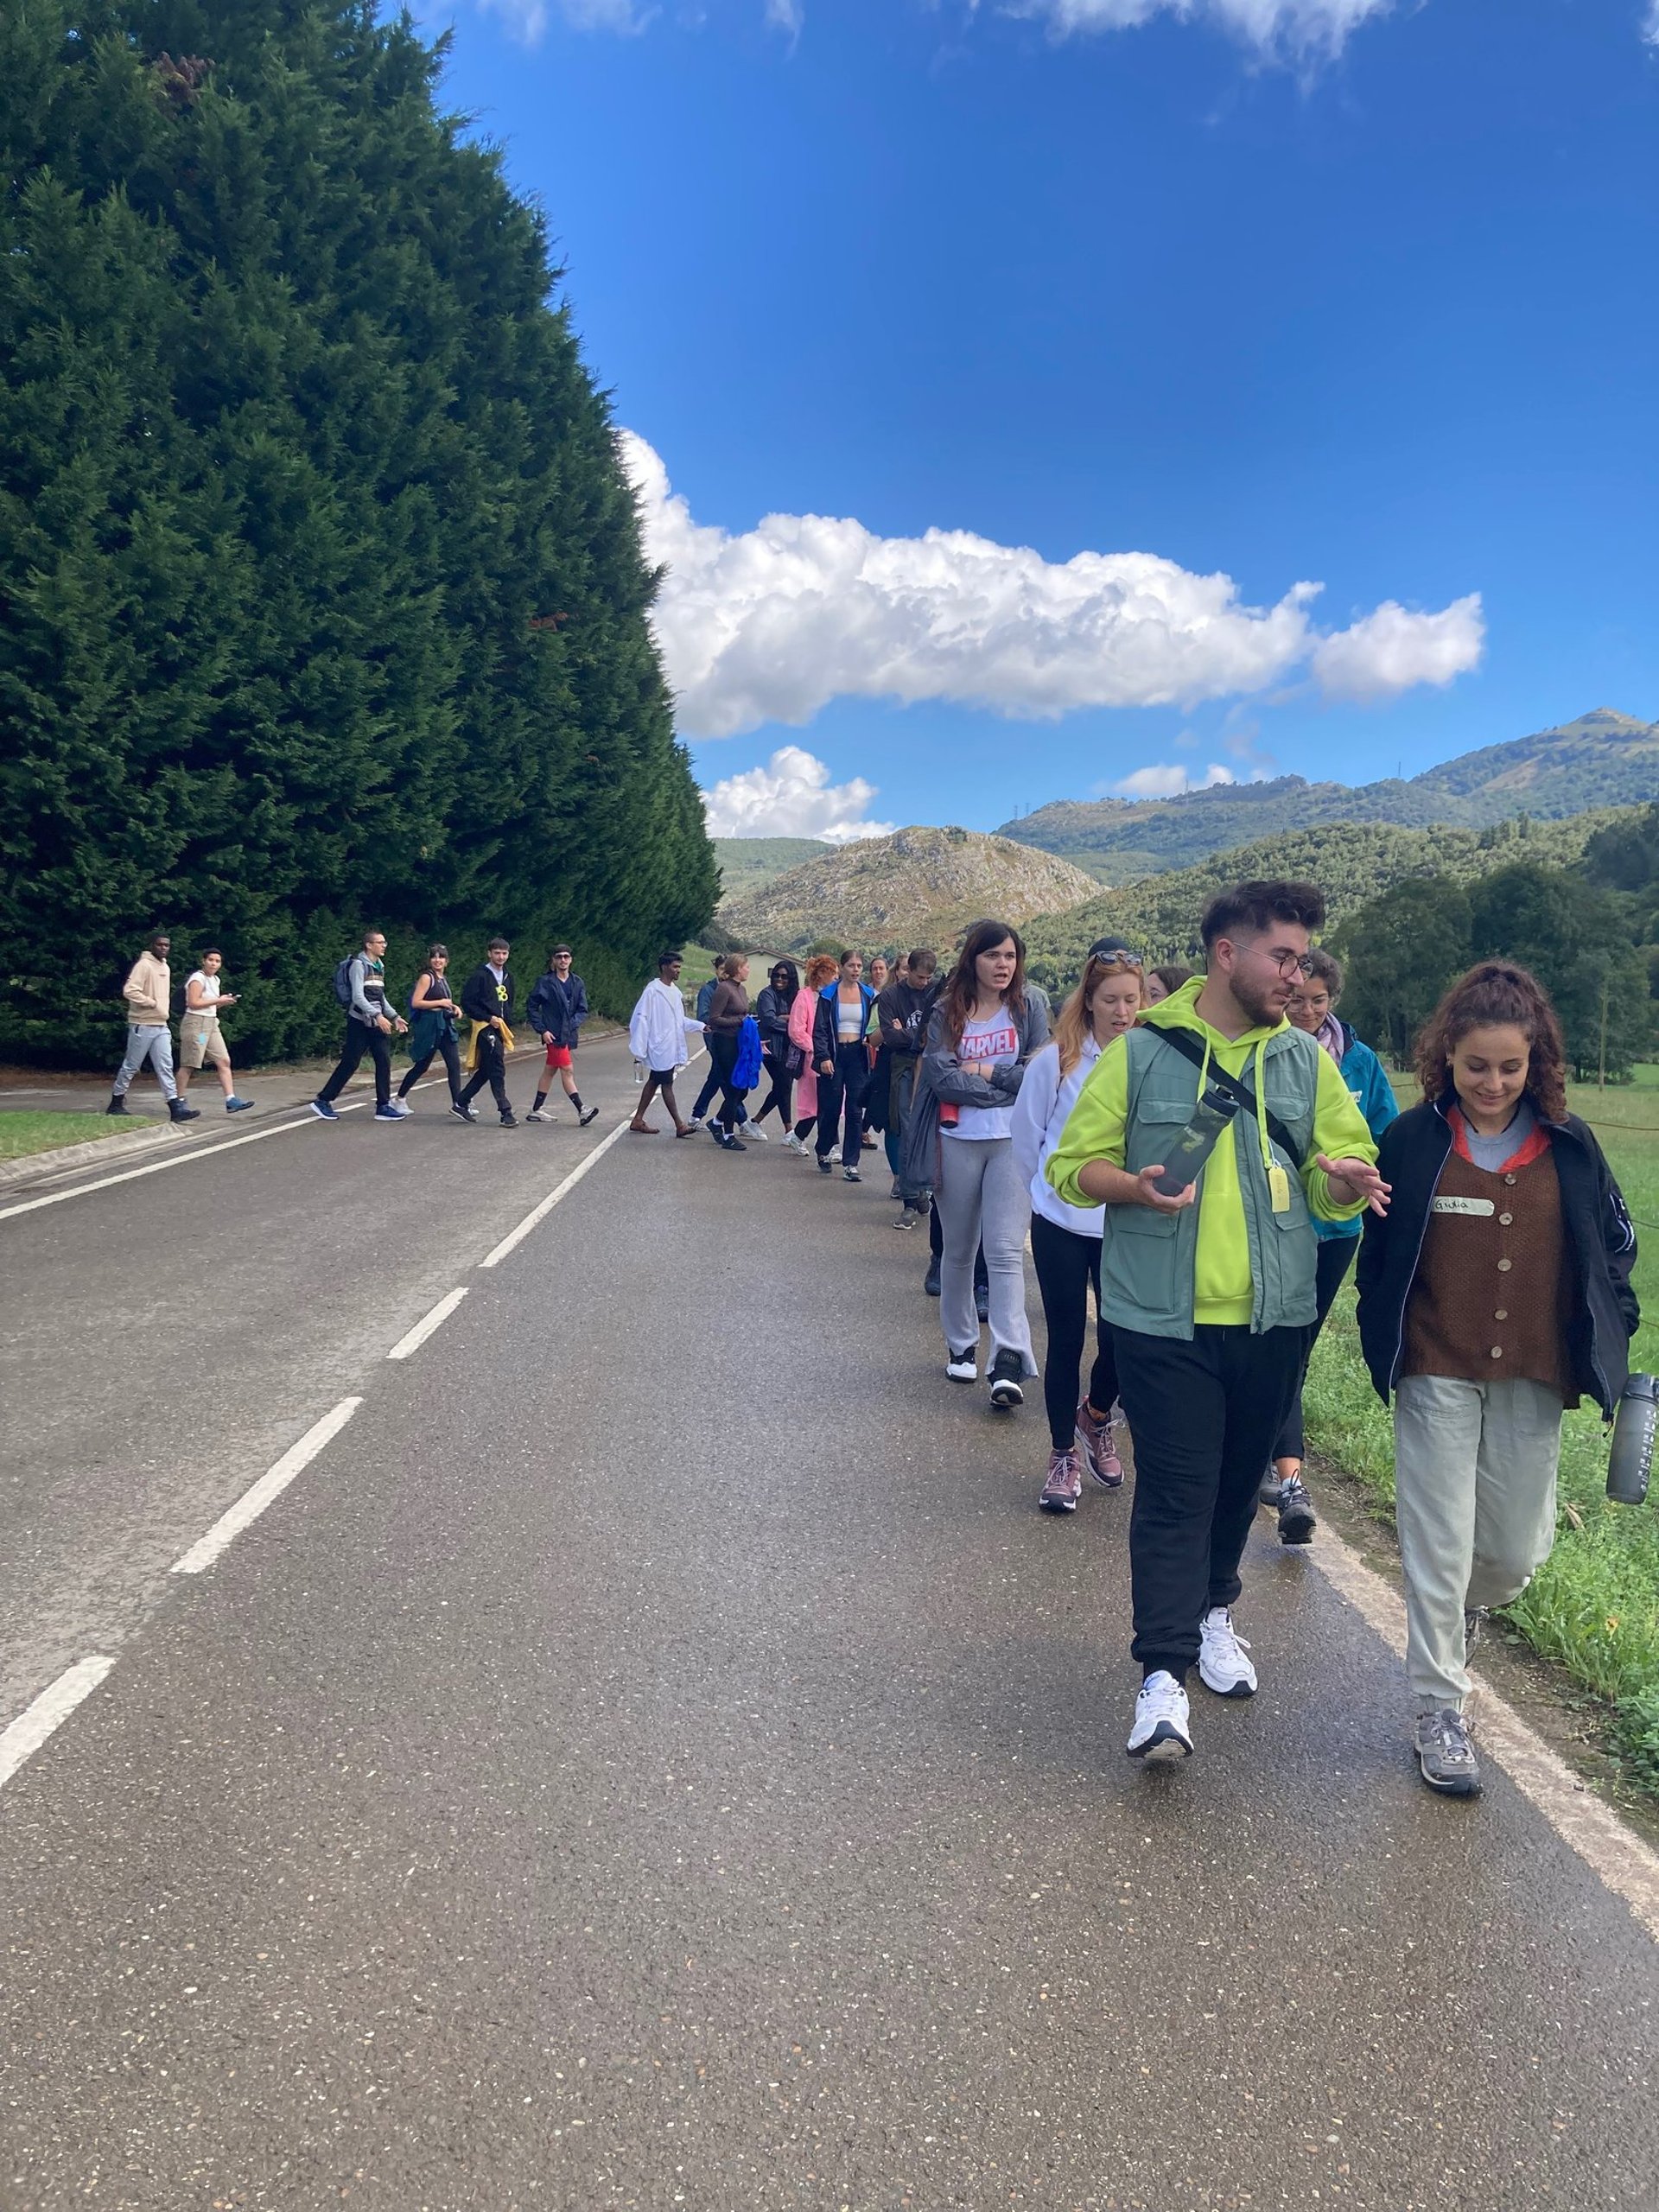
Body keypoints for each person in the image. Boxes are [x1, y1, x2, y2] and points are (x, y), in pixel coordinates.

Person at [1046, 880, 1386, 1764]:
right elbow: (1072, 1167)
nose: (1297, 974)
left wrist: (1345, 1179)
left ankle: (1212, 1615)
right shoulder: (1140, 1052)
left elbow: (1334, 1164)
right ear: (1227, 953)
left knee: (1238, 1487)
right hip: (1162, 1320)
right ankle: (1160, 1679)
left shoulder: (1305, 1061)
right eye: (1283, 956)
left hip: (1275, 1317)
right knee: (1176, 1491)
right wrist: (1133, 1186)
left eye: (1304, 959)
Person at [1356, 961, 1638, 1798]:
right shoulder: (1413, 1140)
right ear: (1447, 1055)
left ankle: (1464, 1612)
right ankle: (1439, 1708)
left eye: (1510, 1067)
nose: (1492, 1082)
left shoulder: (1571, 1145)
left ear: (1535, 1061)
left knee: (1512, 1553)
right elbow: (1380, 1252)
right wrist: (1383, 1332)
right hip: (1435, 1363)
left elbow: (1615, 1246)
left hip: (1534, 1369)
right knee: (1438, 1542)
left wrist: (1614, 1325)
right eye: (1476, 1065)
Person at [1259, 948, 1399, 1544]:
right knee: (1284, 1344)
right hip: (1277, 1225)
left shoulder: (1361, 1062)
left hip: (1338, 1231)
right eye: (1298, 999)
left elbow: (1388, 1133)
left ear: (1333, 1001)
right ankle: (1288, 1477)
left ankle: (1267, 1455)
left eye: (1319, 1001)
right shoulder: (1266, 1053)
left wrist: (1364, 1174)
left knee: (1298, 1346)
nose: (1309, 1010)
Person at [1011, 939, 1144, 1511]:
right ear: (1088, 1000)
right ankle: (1062, 1454)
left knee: (1121, 1339)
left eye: (1131, 1000)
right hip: (1062, 1222)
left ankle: (1095, 1416)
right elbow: (1026, 1140)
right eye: (1110, 1000)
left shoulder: (1148, 1060)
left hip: (1125, 1224)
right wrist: (1046, 1199)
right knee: (1066, 1339)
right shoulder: (1056, 1061)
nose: (1122, 1011)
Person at [905, 919, 1048, 1408]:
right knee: (960, 1251)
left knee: (1005, 1251)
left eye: (1009, 956)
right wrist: (1004, 1086)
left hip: (1012, 1142)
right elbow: (942, 1078)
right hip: (956, 1141)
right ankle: (962, 1344)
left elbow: (1037, 1074)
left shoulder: (1030, 1005)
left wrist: (985, 1072)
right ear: (973, 959)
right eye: (992, 955)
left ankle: (1008, 1358)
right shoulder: (947, 1009)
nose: (1002, 965)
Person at [311, 930, 410, 1122]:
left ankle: (383, 1106)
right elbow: (357, 997)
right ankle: (323, 1100)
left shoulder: (379, 966)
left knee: (384, 1060)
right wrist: (378, 1015)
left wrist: (394, 1016)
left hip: (376, 1021)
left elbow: (380, 996)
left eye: (385, 942)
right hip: (358, 1021)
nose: (384, 946)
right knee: (351, 1062)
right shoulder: (358, 965)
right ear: (369, 945)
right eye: (380, 942)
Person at [108, 931, 198, 1122]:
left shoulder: (165, 966)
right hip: (143, 1024)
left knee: (165, 1065)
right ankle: (116, 1101)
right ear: (152, 946)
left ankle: (175, 1107)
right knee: (131, 1065)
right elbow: (130, 990)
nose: (164, 948)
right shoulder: (144, 965)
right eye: (160, 944)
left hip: (161, 1025)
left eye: (167, 945)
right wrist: (151, 1003)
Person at [878, 949, 939, 1224]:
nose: (924, 983)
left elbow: (940, 1033)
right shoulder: (891, 996)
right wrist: (917, 1035)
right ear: (908, 971)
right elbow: (890, 1037)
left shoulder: (937, 992)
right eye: (919, 977)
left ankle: (924, 1189)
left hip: (932, 1066)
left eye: (928, 978)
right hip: (903, 1067)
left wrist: (906, 1031)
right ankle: (910, 1198)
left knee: (932, 1131)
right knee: (907, 1129)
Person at [812, 950, 876, 1180]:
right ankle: (823, 1149)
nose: (855, 969)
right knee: (831, 1107)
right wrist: (823, 1056)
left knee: (855, 1110)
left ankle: (851, 1163)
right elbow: (819, 1029)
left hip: (858, 1055)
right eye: (851, 965)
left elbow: (874, 1024)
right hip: (835, 1055)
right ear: (842, 968)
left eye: (859, 966)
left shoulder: (868, 994)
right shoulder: (828, 994)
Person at [627, 952, 702, 1135]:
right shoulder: (653, 991)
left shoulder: (675, 992)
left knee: (654, 1081)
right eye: (675, 966)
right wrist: (639, 1048)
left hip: (670, 1047)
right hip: (659, 1047)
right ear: (664, 967)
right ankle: (680, 1125)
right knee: (666, 1083)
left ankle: (637, 1120)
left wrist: (700, 1026)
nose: (678, 970)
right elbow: (641, 1019)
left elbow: (679, 1020)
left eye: (679, 967)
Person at [525, 945, 598, 1127]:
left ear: (571, 959)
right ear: (554, 960)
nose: (563, 960)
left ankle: (536, 1110)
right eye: (559, 957)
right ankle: (582, 1109)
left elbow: (582, 1010)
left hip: (568, 1035)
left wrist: (571, 1025)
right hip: (553, 1035)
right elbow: (532, 1007)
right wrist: (542, 1030)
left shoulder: (577, 982)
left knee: (550, 1070)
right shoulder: (545, 982)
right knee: (567, 1070)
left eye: (566, 956)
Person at [176, 949, 254, 1113]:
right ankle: (178, 1100)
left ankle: (231, 1099)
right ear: (203, 961)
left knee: (223, 1060)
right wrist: (218, 1000)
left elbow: (209, 1005)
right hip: (196, 1025)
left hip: (210, 1025)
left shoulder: (215, 980)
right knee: (190, 1063)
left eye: (217, 961)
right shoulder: (198, 978)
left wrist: (222, 1002)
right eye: (210, 960)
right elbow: (193, 1003)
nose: (214, 964)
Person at [455, 936, 518, 1127]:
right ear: (489, 953)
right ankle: (505, 1111)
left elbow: (509, 1002)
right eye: (497, 953)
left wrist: (506, 1022)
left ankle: (461, 1102)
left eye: (504, 953)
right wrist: (487, 1017)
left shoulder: (508, 977)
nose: (501, 957)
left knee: (487, 1069)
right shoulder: (480, 976)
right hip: (484, 1027)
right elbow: (467, 1002)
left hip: (500, 1027)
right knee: (497, 1066)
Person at [397, 944, 466, 1112]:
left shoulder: (443, 979)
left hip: (445, 1025)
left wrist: (454, 1008)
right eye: (434, 957)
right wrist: (440, 1003)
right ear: (429, 960)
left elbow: (445, 1002)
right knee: (422, 1065)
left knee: (454, 1064)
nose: (437, 960)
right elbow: (416, 1002)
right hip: (430, 1026)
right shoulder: (427, 978)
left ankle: (458, 1104)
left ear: (447, 961)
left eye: (441, 957)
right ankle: (399, 1099)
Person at [784, 954, 839, 1153]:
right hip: (812, 1059)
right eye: (833, 974)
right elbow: (796, 1030)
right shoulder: (804, 996)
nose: (836, 978)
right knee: (817, 1104)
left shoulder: (833, 997)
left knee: (829, 1103)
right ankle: (826, 1146)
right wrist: (816, 1048)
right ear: (822, 973)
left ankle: (803, 1138)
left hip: (831, 1056)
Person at [704, 954, 756, 1151]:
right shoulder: (724, 988)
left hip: (738, 1042)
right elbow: (714, 1018)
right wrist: (738, 1021)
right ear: (737, 969)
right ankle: (728, 1135)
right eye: (746, 966)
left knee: (742, 1089)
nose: (749, 970)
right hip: (724, 1042)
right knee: (734, 1088)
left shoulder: (741, 989)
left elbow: (742, 1014)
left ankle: (717, 1122)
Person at [752, 961, 800, 1131]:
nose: (779, 979)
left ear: (791, 978)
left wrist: (785, 1018)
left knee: (781, 1087)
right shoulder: (767, 994)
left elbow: (803, 1017)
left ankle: (754, 1122)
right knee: (784, 1086)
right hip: (770, 1048)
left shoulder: (795, 995)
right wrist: (792, 1024)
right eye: (776, 975)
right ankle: (789, 1130)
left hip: (791, 1049)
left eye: (784, 976)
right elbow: (769, 1020)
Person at [862, 954, 892, 1154]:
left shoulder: (892, 993)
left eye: (882, 968)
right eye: (875, 968)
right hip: (869, 1045)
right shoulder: (866, 993)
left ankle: (863, 1129)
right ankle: (862, 1129)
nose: (878, 972)